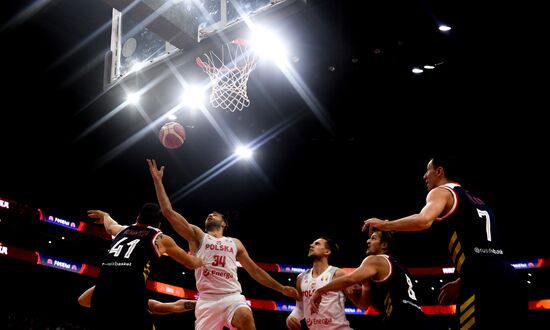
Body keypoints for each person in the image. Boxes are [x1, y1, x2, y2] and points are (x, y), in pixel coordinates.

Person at [362, 155, 527, 330]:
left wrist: (385, 225)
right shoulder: (478, 201)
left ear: (439, 171)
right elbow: (485, 252)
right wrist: (461, 281)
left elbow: (424, 220)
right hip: (508, 277)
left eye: (428, 170)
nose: (425, 176)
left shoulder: (442, 191)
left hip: (481, 283)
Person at [147, 159, 299, 330]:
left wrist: (281, 288)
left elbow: (255, 271)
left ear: (224, 223)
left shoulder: (235, 243)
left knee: (246, 317)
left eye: (215, 215)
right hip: (206, 301)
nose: (210, 215)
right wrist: (158, 181)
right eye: (208, 215)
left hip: (232, 297)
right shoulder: (198, 236)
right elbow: (168, 212)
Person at [86, 204, 204, 330]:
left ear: (137, 218)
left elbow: (110, 227)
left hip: (103, 292)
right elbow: (191, 263)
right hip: (129, 293)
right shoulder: (159, 238)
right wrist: (208, 258)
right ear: (158, 225)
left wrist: (105, 215)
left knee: (86, 302)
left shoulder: (122, 230)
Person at [310, 230, 443, 330]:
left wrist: (320, 290)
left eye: (373, 238)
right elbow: (364, 305)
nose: (368, 241)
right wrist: (365, 288)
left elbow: (349, 279)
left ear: (384, 245)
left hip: (406, 319)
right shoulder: (394, 266)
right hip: (414, 319)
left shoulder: (376, 259)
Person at [286, 237, 353, 330]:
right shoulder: (301, 277)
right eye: (312, 243)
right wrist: (292, 317)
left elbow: (359, 302)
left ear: (327, 252)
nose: (311, 245)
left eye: (317, 244)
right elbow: (300, 307)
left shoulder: (338, 273)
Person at [78, 285, 197, 314]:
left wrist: (200, 304)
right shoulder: (111, 304)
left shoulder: (142, 302)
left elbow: (174, 306)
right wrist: (108, 277)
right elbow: (82, 301)